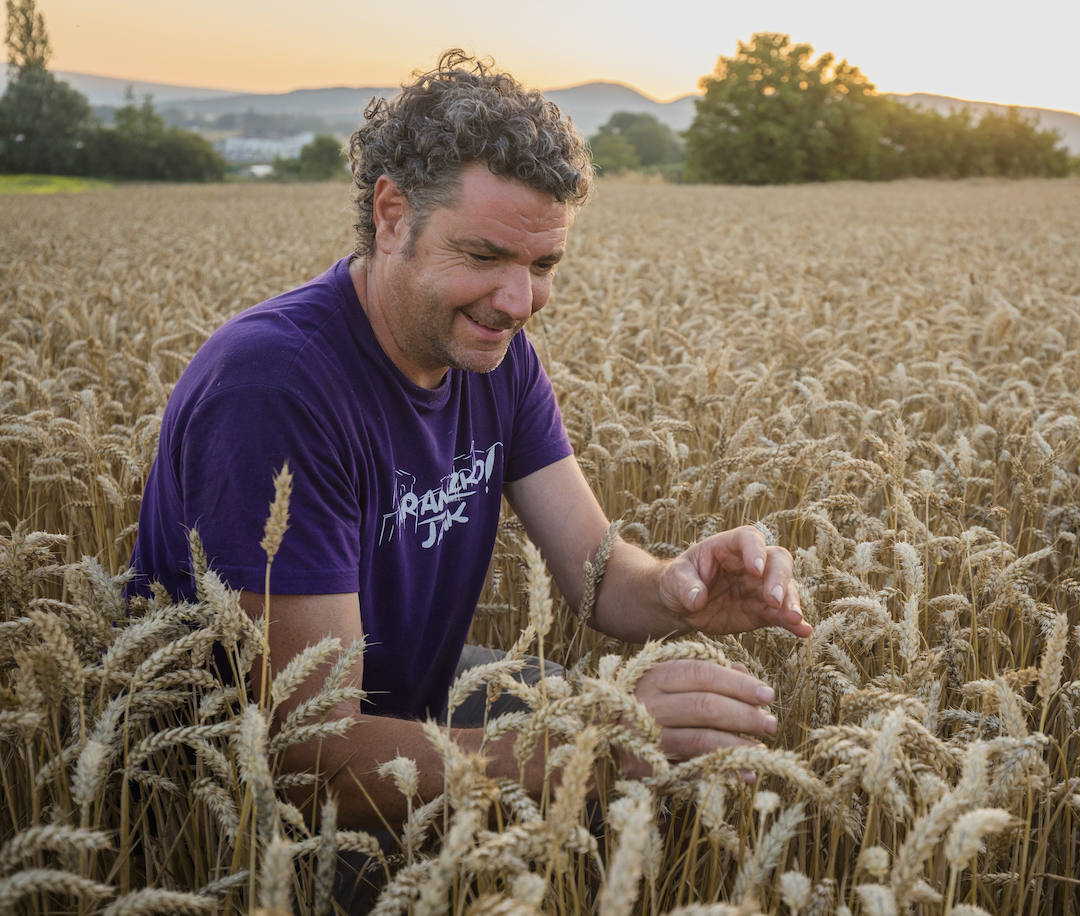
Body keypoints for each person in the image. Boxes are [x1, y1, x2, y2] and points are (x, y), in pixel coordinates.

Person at [127, 49, 812, 832]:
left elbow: (595, 573)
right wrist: (585, 745)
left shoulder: (495, 356)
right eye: (484, 256)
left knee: (641, 738)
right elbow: (306, 761)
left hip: (404, 715)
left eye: (544, 263)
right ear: (392, 215)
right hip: (239, 828)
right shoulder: (277, 388)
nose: (519, 301)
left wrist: (677, 590)